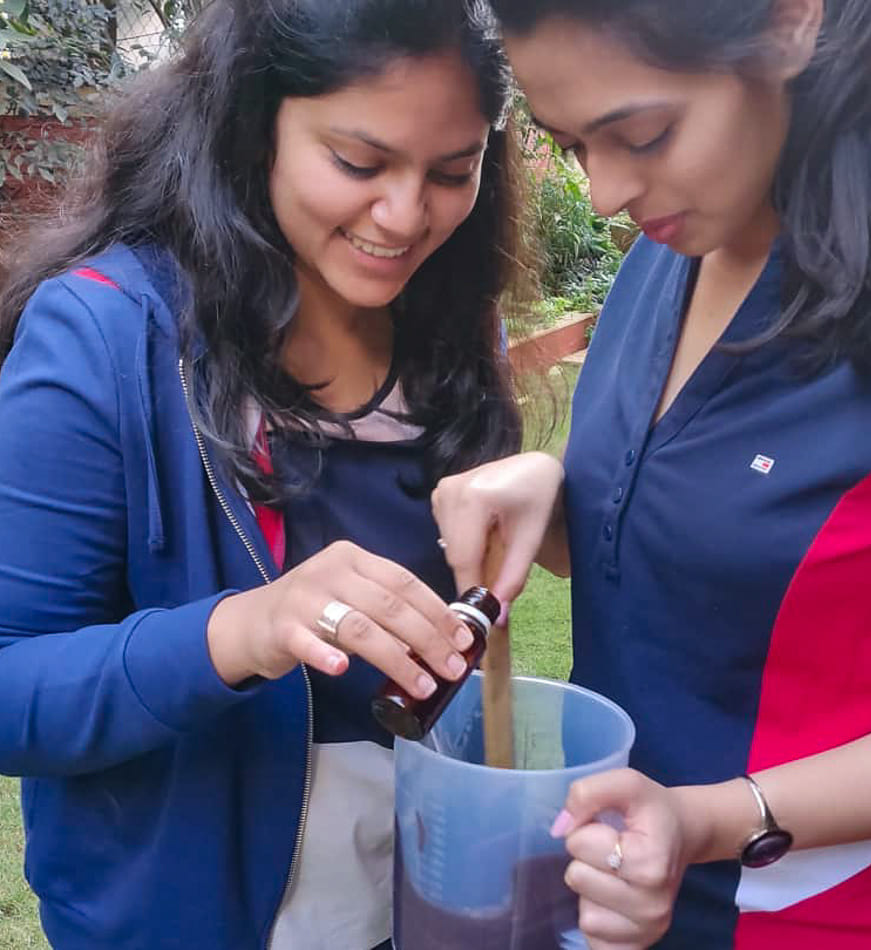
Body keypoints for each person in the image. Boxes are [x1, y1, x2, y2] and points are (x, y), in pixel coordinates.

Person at [0, 0, 524, 947]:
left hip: (423, 905)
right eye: (358, 162)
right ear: (254, 124)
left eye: (454, 171)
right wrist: (244, 629)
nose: (406, 216)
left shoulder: (456, 333)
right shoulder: (105, 337)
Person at [431, 0, 871, 947]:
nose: (604, 194)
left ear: (790, 23)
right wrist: (552, 491)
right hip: (609, 908)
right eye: (572, 146)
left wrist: (714, 818)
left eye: (642, 135)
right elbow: (694, 557)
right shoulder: (663, 263)